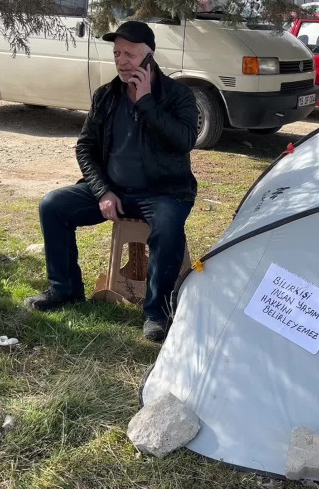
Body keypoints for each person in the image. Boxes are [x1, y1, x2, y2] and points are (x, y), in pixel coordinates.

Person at [25, 21, 198, 342]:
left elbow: (185, 140)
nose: (121, 60)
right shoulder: (106, 96)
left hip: (163, 192)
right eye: (117, 53)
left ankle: (156, 311)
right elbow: (85, 147)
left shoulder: (178, 96)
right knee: (54, 205)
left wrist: (146, 101)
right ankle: (65, 290)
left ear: (151, 54)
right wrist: (102, 190)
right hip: (112, 190)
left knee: (169, 224)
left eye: (130, 54)